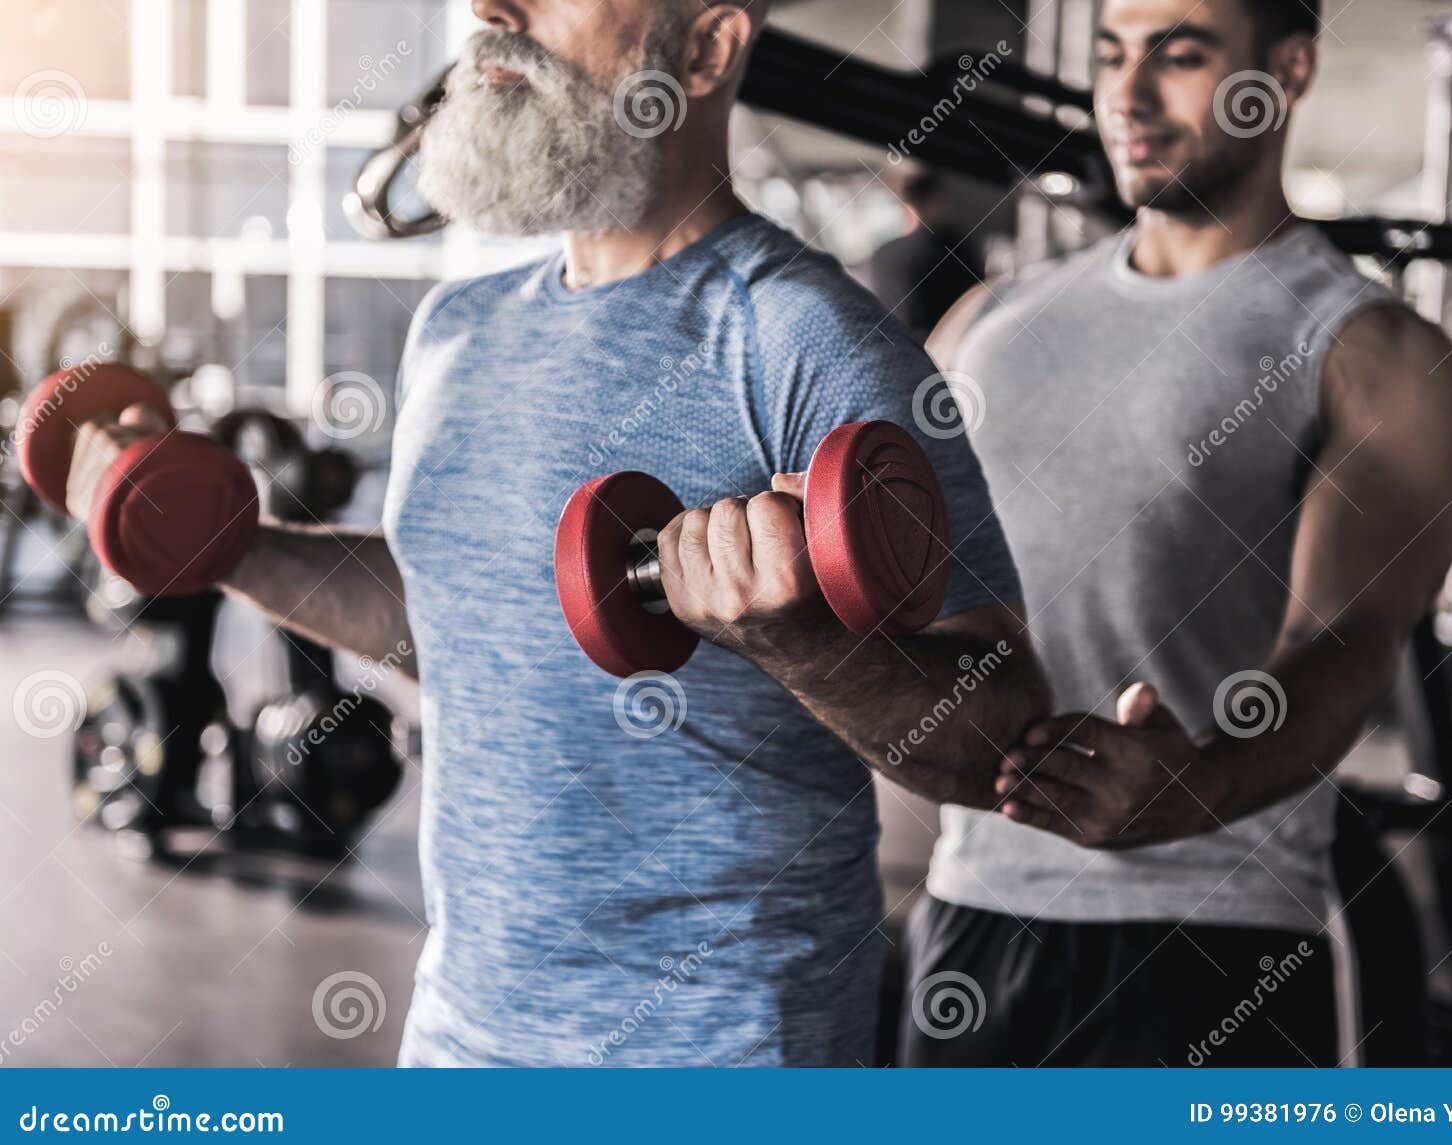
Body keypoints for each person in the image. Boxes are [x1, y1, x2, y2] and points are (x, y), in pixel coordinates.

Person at [65, 0, 1047, 1067]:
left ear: (707, 48)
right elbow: (450, 615)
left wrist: (799, 641)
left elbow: (996, 729)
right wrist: (230, 549)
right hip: (462, 1038)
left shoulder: (803, 337)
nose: (493, 10)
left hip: (716, 1053)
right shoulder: (459, 330)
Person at [901, 0, 1452, 1067]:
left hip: (1216, 932)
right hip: (973, 917)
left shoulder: (1372, 349)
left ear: (1288, 68)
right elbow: (906, 596)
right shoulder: (987, 326)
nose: (1126, 95)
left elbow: (1346, 643)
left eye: (1179, 54)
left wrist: (1188, 790)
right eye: (1114, 55)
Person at [867, 169, 985, 341]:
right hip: (959, 345)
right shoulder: (957, 245)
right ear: (937, 201)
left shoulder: (884, 256)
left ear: (904, 206)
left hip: (910, 352)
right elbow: (977, 298)